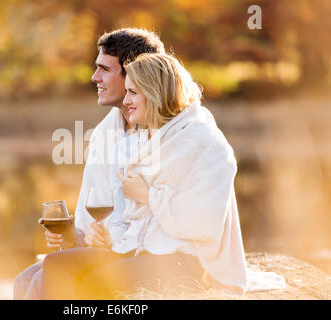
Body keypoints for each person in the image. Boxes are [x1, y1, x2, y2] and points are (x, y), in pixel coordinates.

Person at [38, 53, 248, 300]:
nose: (125, 101)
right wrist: (110, 238)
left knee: (91, 283)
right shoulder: (145, 141)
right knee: (56, 264)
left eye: (133, 93)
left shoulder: (205, 144)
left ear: (155, 93)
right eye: (126, 92)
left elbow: (203, 224)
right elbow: (137, 222)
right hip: (142, 253)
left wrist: (147, 195)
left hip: (183, 261)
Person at [13, 28, 166, 300]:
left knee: (45, 277)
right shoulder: (104, 135)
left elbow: (162, 218)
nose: (94, 78)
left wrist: (112, 241)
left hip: (146, 255)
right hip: (109, 249)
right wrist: (74, 234)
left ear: (135, 74)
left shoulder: (163, 134)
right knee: (24, 280)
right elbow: (94, 221)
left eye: (104, 69)